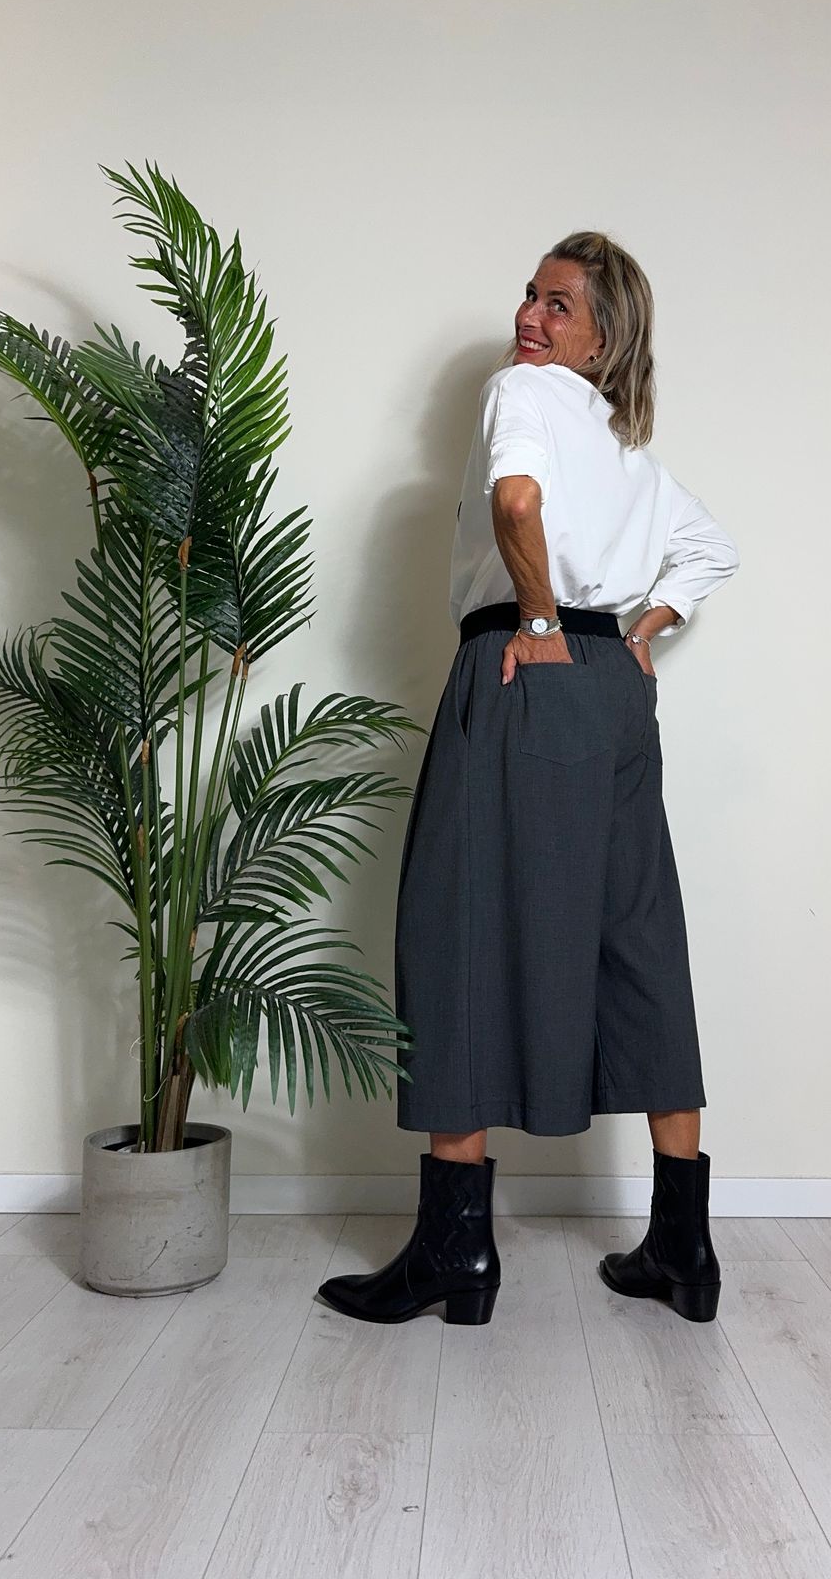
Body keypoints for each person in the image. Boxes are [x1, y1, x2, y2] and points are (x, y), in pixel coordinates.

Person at [317, 231, 740, 1330]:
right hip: (613, 695)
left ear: (602, 342)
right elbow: (708, 549)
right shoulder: (621, 447)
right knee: (637, 940)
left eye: (559, 306)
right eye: (529, 297)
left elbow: (514, 506)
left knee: (457, 931)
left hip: (523, 669)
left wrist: (542, 622)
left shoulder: (524, 395)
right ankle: (683, 1248)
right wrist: (635, 630)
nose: (529, 318)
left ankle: (454, 1253)